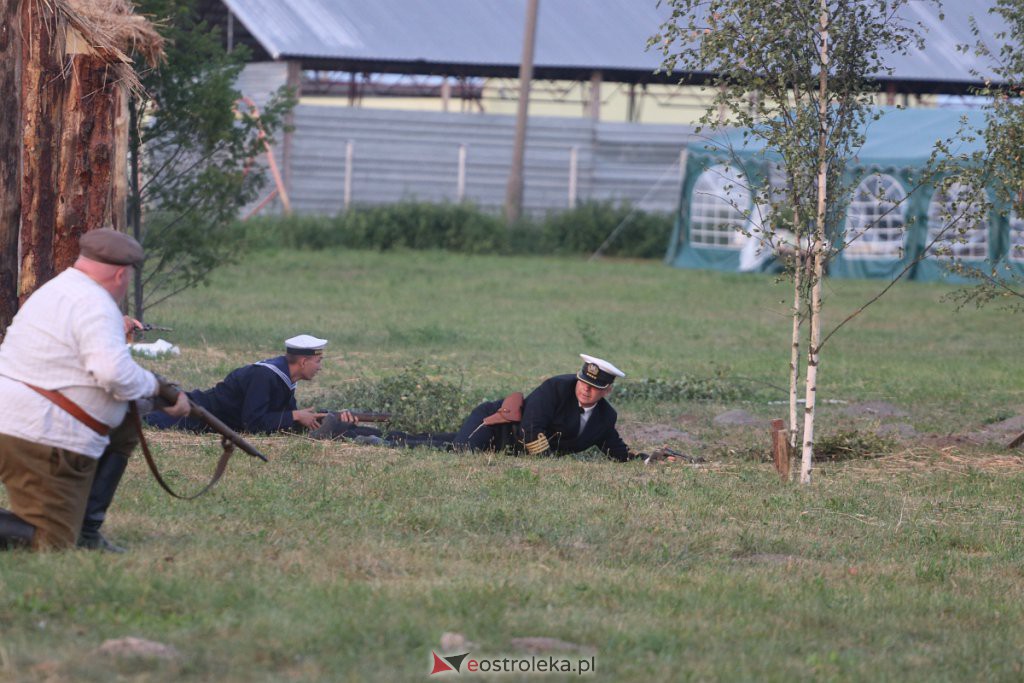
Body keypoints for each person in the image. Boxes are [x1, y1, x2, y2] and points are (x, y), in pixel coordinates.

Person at [0, 228, 189, 551]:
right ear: (120, 273)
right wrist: (156, 385)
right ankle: (80, 533)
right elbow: (113, 372)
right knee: (53, 545)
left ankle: (88, 528)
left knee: (127, 418)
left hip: (19, 422)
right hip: (39, 436)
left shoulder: (59, 289)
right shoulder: (95, 305)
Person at [449, 354, 648, 461]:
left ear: (607, 391)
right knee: (463, 452)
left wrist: (649, 459)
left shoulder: (605, 417)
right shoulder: (556, 387)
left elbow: (617, 452)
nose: (586, 389)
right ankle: (417, 440)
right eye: (583, 382)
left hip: (514, 451)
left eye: (595, 387)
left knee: (449, 443)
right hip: (497, 425)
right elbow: (531, 428)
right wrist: (548, 461)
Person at [144, 335, 354, 434]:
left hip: (199, 414)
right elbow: (254, 423)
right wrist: (296, 415)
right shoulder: (265, 376)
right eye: (318, 362)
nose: (320, 367)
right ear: (303, 361)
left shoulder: (285, 377)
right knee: (142, 416)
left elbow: (279, 421)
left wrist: (333, 419)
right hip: (185, 417)